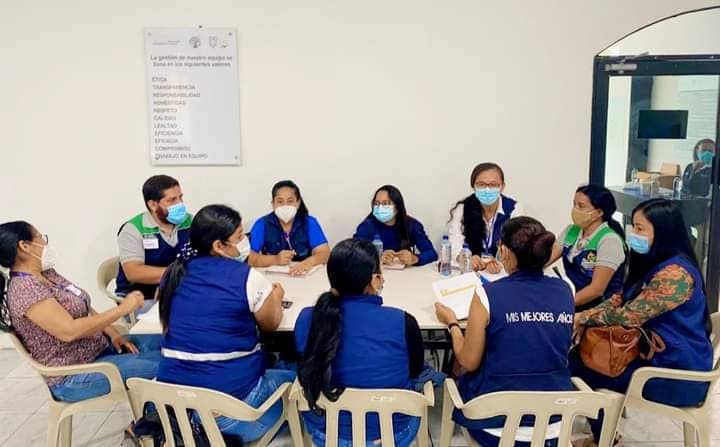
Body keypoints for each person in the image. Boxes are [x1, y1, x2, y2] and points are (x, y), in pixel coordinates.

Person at [571, 198, 713, 443]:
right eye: (633, 226)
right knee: (580, 355)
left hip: (675, 373)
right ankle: (603, 434)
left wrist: (583, 317)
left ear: (663, 232)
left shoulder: (675, 274)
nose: (633, 233)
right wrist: (584, 319)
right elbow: (619, 300)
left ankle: (603, 438)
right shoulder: (654, 262)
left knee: (578, 365)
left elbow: (630, 315)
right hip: (656, 356)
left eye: (640, 228)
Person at [156, 204, 294, 443]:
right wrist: (276, 297)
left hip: (174, 411)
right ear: (218, 246)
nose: (244, 242)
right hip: (227, 418)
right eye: (239, 237)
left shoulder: (173, 273)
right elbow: (271, 324)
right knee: (293, 377)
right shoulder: (246, 277)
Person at [435, 216, 574, 447]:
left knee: (463, 372)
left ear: (504, 252)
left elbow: (469, 361)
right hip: (554, 421)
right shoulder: (566, 289)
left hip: (497, 426)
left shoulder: (487, 294)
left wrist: (452, 325)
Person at [0, 221, 160, 403]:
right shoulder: (25, 289)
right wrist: (122, 309)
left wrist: (114, 335)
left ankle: (157, 411)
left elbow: (84, 306)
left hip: (101, 349)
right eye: (41, 238)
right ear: (24, 246)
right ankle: (152, 417)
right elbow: (70, 331)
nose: (45, 243)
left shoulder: (47, 274)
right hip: (75, 375)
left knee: (174, 345)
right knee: (170, 364)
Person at [295, 239, 425, 447]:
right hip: (392, 435)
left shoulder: (307, 318)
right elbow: (415, 370)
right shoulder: (402, 321)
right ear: (375, 280)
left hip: (327, 435)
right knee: (424, 373)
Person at [115, 175, 191, 313]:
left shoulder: (190, 222)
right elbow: (134, 272)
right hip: (141, 299)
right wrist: (178, 274)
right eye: (172, 200)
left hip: (179, 293)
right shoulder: (134, 229)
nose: (180, 204)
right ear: (153, 205)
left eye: (180, 197)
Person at [547, 185, 626, 311]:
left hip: (599, 308)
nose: (575, 209)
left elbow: (596, 290)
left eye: (581, 206)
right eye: (574, 204)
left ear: (599, 212)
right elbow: (546, 259)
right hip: (573, 300)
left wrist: (562, 306)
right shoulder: (571, 231)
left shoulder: (609, 240)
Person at [448, 162, 524, 274]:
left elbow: (518, 247)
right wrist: (464, 258)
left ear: (502, 186)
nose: (487, 189)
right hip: (471, 271)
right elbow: (454, 242)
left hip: (502, 273)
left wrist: (500, 263)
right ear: (473, 186)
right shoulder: (463, 208)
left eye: (493, 185)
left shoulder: (514, 209)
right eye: (481, 184)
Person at [248, 180, 330, 276]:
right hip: (273, 277)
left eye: (290, 201)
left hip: (303, 276)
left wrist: (307, 263)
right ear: (273, 204)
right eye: (280, 201)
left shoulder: (309, 222)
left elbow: (325, 253)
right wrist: (275, 259)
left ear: (298, 203)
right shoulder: (262, 224)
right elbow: (249, 258)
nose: (285, 206)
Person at [354, 185, 438, 267]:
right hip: (378, 273)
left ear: (397, 207)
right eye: (376, 204)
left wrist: (415, 258)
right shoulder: (367, 226)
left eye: (385, 204)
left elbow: (432, 253)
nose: (380, 207)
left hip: (406, 273)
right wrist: (377, 259)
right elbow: (354, 255)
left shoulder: (412, 225)